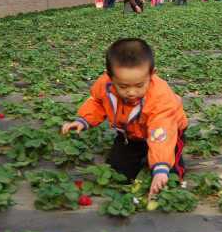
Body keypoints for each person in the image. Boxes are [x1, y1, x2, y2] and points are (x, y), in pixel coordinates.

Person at [61, 38, 188, 196]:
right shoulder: (105, 86)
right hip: (130, 132)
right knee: (119, 173)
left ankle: (169, 170)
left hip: (167, 131)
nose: (132, 92)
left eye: (140, 85)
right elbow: (97, 102)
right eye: (123, 86)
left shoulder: (160, 99)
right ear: (110, 77)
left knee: (170, 172)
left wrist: (161, 168)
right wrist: (83, 120)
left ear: (152, 74)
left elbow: (161, 131)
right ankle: (142, 152)